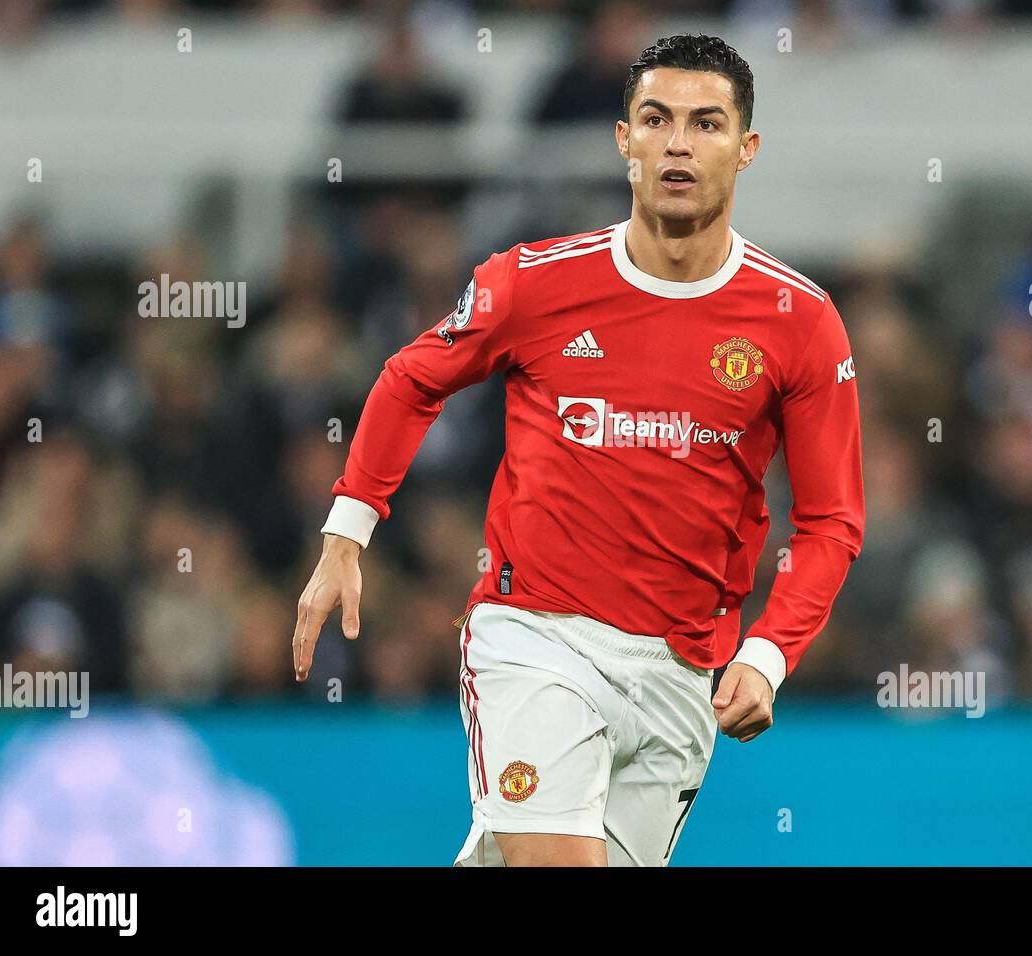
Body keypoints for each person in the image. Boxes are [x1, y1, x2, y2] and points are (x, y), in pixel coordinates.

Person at [292, 34, 865, 867]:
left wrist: (771, 653)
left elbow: (832, 522)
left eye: (706, 124)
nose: (677, 142)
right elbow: (412, 379)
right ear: (623, 140)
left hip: (682, 673)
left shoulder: (799, 321)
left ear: (746, 150)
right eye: (656, 119)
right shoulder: (534, 282)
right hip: (536, 639)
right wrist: (347, 534)